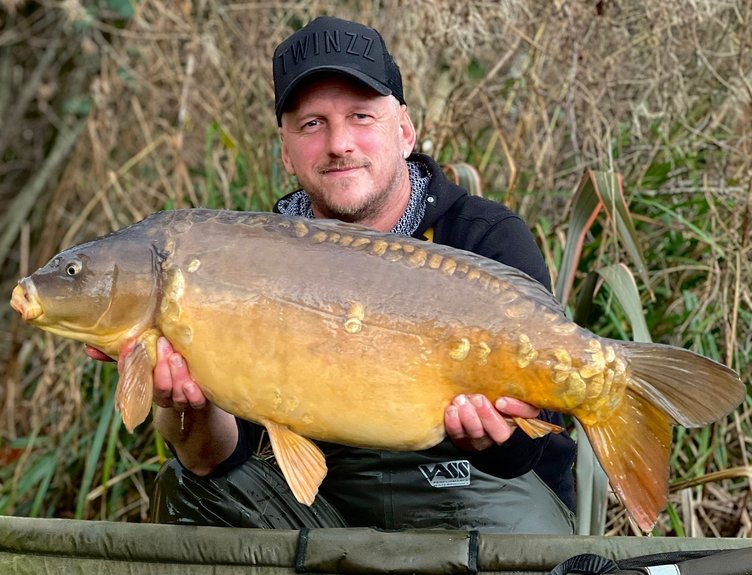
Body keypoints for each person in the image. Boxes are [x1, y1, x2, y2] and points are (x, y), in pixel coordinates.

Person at [89, 16, 576, 533]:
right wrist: (186, 407)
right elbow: (215, 463)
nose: (339, 142)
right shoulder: (243, 263)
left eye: (362, 116)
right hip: (322, 507)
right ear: (286, 150)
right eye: (312, 124)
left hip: (477, 493)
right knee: (189, 491)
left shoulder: (484, 236)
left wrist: (489, 438)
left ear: (405, 131)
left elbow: (538, 441)